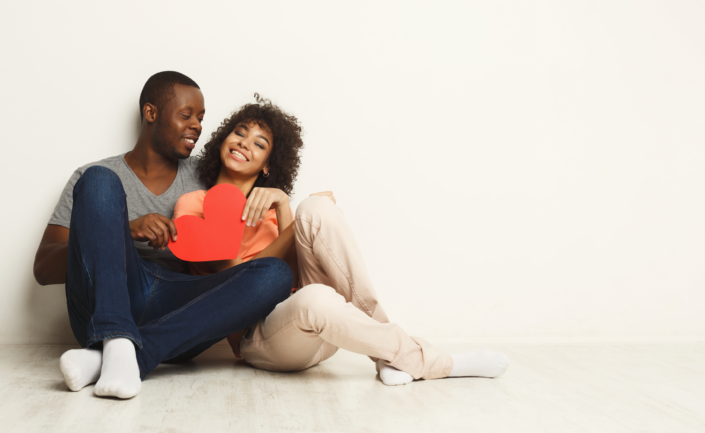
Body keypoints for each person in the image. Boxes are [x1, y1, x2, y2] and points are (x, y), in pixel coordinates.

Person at [174, 95, 510, 385]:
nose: (246, 143)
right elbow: (240, 286)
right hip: (262, 339)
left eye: (259, 144)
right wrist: (284, 204)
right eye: (240, 133)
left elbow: (288, 277)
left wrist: (286, 207)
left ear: (266, 166)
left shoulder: (276, 215)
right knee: (317, 297)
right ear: (223, 141)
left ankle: (389, 354)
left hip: (325, 323)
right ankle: (433, 362)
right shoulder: (194, 205)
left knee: (317, 207)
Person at [33, 72, 293, 399]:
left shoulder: (209, 175)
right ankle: (115, 335)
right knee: (100, 180)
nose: (197, 126)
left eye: (201, 118)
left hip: (176, 307)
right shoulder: (92, 179)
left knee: (275, 274)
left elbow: (237, 242)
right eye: (186, 116)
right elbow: (43, 269)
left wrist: (283, 201)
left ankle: (120, 357)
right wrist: (123, 232)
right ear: (151, 113)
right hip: (104, 302)